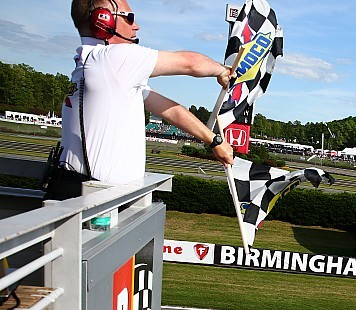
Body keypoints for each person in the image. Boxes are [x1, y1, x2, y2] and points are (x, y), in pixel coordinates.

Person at [45, 0, 235, 199]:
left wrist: (214, 141)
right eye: (129, 17)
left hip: (84, 193)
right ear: (103, 20)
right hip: (93, 202)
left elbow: (168, 109)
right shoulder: (111, 59)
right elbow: (191, 63)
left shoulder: (102, 66)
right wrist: (222, 70)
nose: (136, 25)